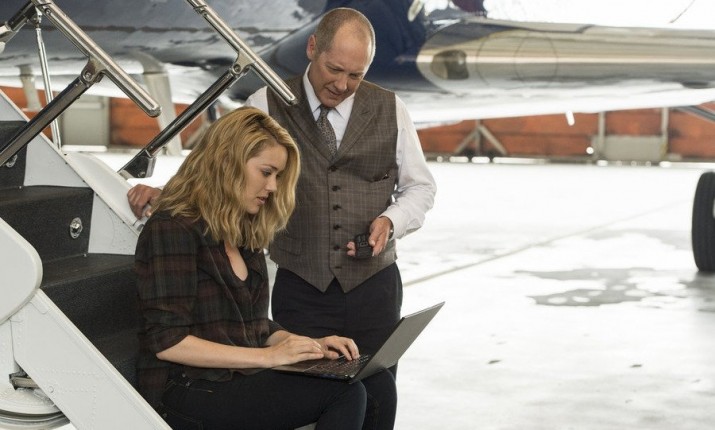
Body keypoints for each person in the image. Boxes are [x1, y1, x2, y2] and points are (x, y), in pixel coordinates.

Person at [128, 8, 437, 429]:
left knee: (378, 385)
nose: (342, 84)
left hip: (372, 284)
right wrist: (170, 191)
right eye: (334, 69)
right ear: (312, 48)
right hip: (302, 285)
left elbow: (421, 188)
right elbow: (224, 155)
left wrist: (391, 221)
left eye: (356, 75)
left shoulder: (389, 108)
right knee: (336, 394)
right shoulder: (265, 105)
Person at [134, 106, 367, 430]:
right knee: (344, 393)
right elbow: (168, 341)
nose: (273, 187)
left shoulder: (242, 231)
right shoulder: (172, 228)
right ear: (227, 162)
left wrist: (307, 345)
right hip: (187, 388)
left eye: (277, 176)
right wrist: (269, 358)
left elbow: (253, 327)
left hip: (236, 376)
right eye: (266, 172)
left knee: (373, 380)